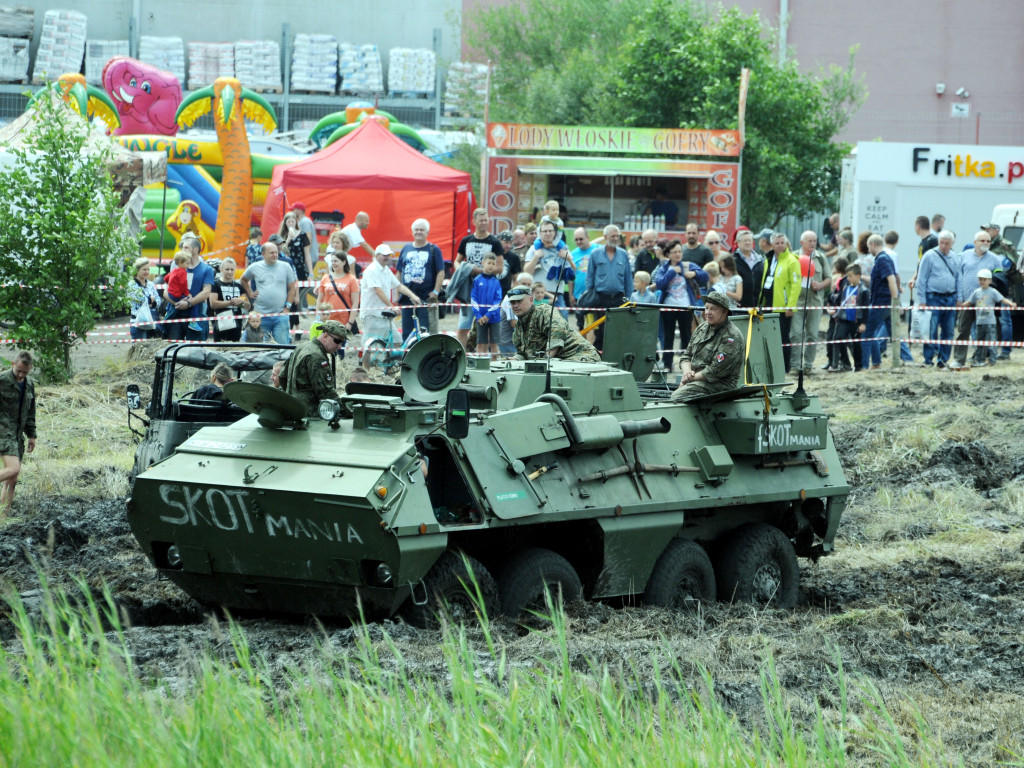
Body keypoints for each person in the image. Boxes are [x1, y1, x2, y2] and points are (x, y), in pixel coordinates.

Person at [670, 292, 743, 402]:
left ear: (725, 312)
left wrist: (689, 379)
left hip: (719, 385)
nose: (708, 312)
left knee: (677, 397)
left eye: (713, 309)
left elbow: (715, 371)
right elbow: (686, 356)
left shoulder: (731, 336)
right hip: (695, 380)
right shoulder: (702, 327)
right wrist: (687, 373)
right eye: (706, 308)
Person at [653, 239, 709, 372]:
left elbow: (705, 276)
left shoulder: (688, 265)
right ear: (668, 254)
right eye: (674, 252)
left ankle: (687, 364)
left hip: (686, 306)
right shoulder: (664, 268)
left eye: (679, 251)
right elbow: (660, 283)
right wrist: (672, 272)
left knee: (686, 336)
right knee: (668, 336)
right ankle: (667, 364)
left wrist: (695, 273)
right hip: (668, 307)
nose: (678, 254)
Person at [950, 232, 1003, 370]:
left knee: (983, 332)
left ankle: (979, 359)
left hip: (985, 303)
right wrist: (960, 298)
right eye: (982, 240)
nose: (985, 243)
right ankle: (959, 359)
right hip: (967, 300)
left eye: (988, 241)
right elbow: (959, 277)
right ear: (975, 242)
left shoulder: (995, 259)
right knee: (963, 330)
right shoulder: (964, 256)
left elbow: (1000, 280)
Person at [507, 285, 600, 362]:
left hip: (581, 356)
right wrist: (515, 359)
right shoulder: (520, 326)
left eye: (519, 301)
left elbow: (557, 330)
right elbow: (524, 353)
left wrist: (547, 358)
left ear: (531, 300)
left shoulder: (543, 311)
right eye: (512, 303)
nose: (515, 306)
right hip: (560, 361)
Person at [454, 208, 504, 346]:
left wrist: (480, 271)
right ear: (474, 221)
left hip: (486, 289)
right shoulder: (466, 240)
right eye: (481, 220)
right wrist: (462, 271)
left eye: (486, 220)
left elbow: (500, 268)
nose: (484, 223)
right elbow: (457, 261)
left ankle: (486, 360)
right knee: (463, 327)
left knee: (486, 327)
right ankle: (460, 357)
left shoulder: (494, 242)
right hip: (468, 289)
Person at [279, 319, 350, 415]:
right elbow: (326, 392)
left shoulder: (302, 347)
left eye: (342, 342)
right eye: (337, 341)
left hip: (293, 409)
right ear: (325, 336)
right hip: (310, 414)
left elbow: (283, 377)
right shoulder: (317, 356)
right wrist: (346, 411)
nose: (339, 347)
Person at [912, 231, 958, 368]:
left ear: (952, 244)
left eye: (947, 243)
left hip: (950, 297)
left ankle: (943, 360)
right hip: (933, 297)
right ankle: (928, 360)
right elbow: (922, 278)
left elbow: (958, 278)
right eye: (941, 242)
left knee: (948, 331)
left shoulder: (955, 258)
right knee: (930, 330)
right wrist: (922, 300)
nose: (943, 246)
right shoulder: (929, 256)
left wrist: (959, 298)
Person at [359, 243, 423, 341]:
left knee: (397, 341)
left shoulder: (386, 270)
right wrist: (391, 306)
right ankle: (366, 356)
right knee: (370, 344)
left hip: (384, 314)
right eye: (384, 255)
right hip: (372, 314)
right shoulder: (371, 270)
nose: (387, 257)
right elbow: (378, 291)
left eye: (388, 255)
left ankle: (389, 356)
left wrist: (413, 296)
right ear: (376, 255)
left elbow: (398, 285)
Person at [757, 233, 802, 372]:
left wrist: (791, 306)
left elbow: (796, 285)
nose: (780, 245)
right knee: (768, 336)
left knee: (783, 336)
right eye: (777, 243)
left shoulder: (792, 261)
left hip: (782, 306)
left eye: (782, 242)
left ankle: (785, 367)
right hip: (768, 303)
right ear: (772, 245)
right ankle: (771, 364)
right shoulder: (768, 259)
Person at [584, 224, 632, 350]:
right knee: (600, 331)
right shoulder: (595, 254)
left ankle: (615, 356)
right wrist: (590, 297)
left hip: (618, 299)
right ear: (605, 237)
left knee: (617, 330)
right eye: (613, 236)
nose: (616, 238)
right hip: (601, 299)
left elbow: (628, 278)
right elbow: (590, 277)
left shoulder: (623, 254)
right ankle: (601, 358)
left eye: (617, 236)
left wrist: (628, 298)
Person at [789, 230, 830, 376]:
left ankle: (808, 365)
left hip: (815, 301)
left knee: (812, 334)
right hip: (797, 302)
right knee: (796, 333)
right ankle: (794, 365)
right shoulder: (793, 256)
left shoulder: (821, 258)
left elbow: (828, 278)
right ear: (802, 243)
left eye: (814, 240)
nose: (813, 243)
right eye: (809, 241)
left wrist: (820, 285)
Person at [397, 218, 445, 341]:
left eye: (422, 230)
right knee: (407, 334)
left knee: (426, 333)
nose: (418, 232)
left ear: (427, 232)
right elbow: (399, 272)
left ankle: (425, 359)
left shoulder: (434, 250)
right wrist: (398, 292)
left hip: (426, 298)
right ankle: (407, 358)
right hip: (407, 299)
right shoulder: (405, 248)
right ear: (412, 232)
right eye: (416, 229)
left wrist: (435, 292)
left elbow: (441, 272)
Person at [0, 351, 36, 514]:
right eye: (18, 371)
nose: (21, 375)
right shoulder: (2, 381)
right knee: (13, 469)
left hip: (18, 434)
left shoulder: (29, 384)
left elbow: (30, 412)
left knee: (12, 480)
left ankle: (3, 516)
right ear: (13, 364)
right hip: (3, 431)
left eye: (25, 372)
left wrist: (32, 435)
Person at [240, 242, 297, 344]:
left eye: (276, 252)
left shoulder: (286, 266)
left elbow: (292, 287)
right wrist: (250, 293)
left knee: (282, 346)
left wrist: (287, 307)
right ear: (263, 254)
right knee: (261, 348)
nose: (275, 255)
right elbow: (243, 279)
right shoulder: (255, 266)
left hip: (280, 314)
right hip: (260, 316)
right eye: (271, 253)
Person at [524, 218, 574, 320]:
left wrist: (568, 257)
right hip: (538, 295)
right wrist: (536, 257)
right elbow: (526, 272)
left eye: (550, 231)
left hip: (558, 295)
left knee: (563, 325)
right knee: (538, 328)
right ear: (540, 233)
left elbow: (574, 272)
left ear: (555, 232)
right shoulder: (534, 248)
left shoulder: (563, 248)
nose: (548, 233)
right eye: (545, 231)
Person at [964, 268, 1016, 366]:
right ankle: (979, 360)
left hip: (990, 322)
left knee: (992, 341)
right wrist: (961, 306)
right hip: (979, 322)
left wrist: (1011, 304)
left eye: (985, 279)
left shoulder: (993, 292)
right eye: (980, 279)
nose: (982, 282)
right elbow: (970, 302)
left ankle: (992, 360)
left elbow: (1002, 299)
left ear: (990, 280)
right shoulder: (976, 292)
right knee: (979, 343)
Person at [861, 235, 898, 370]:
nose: (868, 249)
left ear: (872, 245)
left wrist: (895, 301)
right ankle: (877, 363)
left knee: (866, 333)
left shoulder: (882, 259)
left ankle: (864, 366)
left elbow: (892, 279)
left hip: (881, 303)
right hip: (884, 302)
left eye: (868, 246)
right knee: (893, 334)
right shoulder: (885, 258)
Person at [314, 248, 359, 357]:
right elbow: (320, 299)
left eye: (336, 261)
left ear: (344, 262)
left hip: (342, 323)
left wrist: (350, 323)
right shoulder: (325, 278)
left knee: (339, 351)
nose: (333, 263)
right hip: (326, 321)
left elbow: (355, 303)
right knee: (323, 350)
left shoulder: (351, 279)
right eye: (332, 261)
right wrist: (318, 316)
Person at [827, 264, 868, 373]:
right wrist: (832, 298)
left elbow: (866, 309)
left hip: (856, 321)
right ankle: (845, 363)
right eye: (847, 276)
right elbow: (838, 300)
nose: (848, 278)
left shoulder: (863, 290)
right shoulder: (845, 287)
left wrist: (863, 323)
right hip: (843, 319)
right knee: (839, 338)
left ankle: (858, 365)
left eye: (850, 276)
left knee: (856, 344)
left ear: (858, 276)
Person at [208, 257, 250, 342]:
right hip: (221, 322)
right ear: (221, 269)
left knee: (234, 348)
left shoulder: (239, 286)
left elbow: (248, 306)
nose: (230, 272)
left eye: (232, 269)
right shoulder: (216, 284)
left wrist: (241, 302)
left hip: (237, 322)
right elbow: (213, 304)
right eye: (227, 269)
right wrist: (230, 303)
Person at [163, 251, 202, 339]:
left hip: (171, 293)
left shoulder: (174, 271)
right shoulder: (182, 272)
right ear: (181, 263)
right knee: (193, 303)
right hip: (177, 295)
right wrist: (188, 294)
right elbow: (184, 284)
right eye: (187, 263)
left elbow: (165, 278)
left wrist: (172, 284)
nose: (188, 265)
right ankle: (193, 322)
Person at [471, 253, 502, 359]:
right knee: (481, 344)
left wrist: (489, 314)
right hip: (480, 318)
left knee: (494, 344)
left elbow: (498, 300)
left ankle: (495, 365)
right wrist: (478, 315)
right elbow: (473, 299)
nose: (491, 266)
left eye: (493, 264)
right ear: (483, 263)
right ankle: (481, 365)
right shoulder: (477, 280)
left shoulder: (496, 282)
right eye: (489, 263)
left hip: (494, 317)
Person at [128, 256, 162, 341]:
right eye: (144, 269)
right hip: (137, 322)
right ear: (137, 270)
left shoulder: (151, 284)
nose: (147, 272)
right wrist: (150, 300)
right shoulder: (131, 284)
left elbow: (158, 300)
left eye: (148, 269)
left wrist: (151, 302)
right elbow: (141, 299)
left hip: (152, 321)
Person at [279, 211, 312, 282]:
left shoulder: (302, 235)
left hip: (300, 267)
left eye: (292, 221)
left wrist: (311, 273)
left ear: (296, 222)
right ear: (285, 223)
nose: (291, 224)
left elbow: (307, 254)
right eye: (288, 222)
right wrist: (288, 240)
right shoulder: (282, 236)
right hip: (286, 267)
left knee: (300, 290)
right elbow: (280, 251)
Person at [732, 230, 762, 309]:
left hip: (757, 305)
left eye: (749, 240)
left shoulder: (760, 259)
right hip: (739, 305)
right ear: (738, 243)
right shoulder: (732, 260)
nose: (748, 243)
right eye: (745, 241)